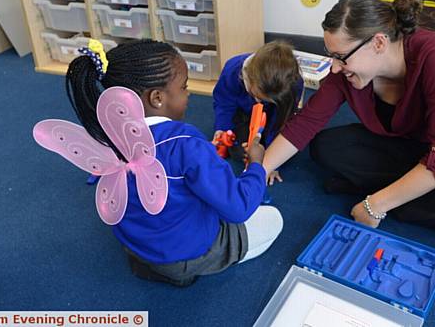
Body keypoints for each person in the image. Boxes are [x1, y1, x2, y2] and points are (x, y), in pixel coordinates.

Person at [262, 0, 435, 239]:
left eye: (340, 57)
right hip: (411, 143)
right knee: (325, 146)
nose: (334, 67)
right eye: (332, 56)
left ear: (378, 42)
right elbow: (308, 121)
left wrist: (375, 205)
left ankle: (399, 200)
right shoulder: (348, 71)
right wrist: (259, 172)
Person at [66, 40, 283, 286]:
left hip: (137, 245)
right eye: (184, 87)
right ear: (157, 98)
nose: (188, 94)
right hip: (184, 253)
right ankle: (184, 269)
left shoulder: (103, 133)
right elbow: (238, 207)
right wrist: (256, 164)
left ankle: (149, 264)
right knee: (274, 219)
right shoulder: (186, 143)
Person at [212, 40, 304, 182]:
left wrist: (272, 160)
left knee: (287, 149)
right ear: (249, 78)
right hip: (243, 113)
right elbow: (224, 103)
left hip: (274, 114)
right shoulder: (233, 69)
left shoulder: (293, 85)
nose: (259, 101)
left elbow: (283, 120)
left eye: (264, 99)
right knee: (239, 152)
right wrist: (222, 130)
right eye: (256, 95)